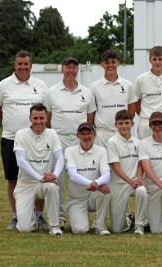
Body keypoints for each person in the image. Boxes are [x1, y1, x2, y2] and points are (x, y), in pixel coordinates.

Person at [0, 50, 48, 230]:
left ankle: (39, 216)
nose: (23, 67)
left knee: (38, 177)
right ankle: (15, 216)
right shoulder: (4, 85)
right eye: (20, 64)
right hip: (11, 139)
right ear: (15, 65)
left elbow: (46, 111)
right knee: (13, 179)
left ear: (31, 65)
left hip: (35, 139)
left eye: (26, 64)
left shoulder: (40, 85)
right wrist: (7, 121)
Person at [43, 56, 96, 227]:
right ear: (62, 69)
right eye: (68, 67)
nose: (71, 70)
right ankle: (59, 216)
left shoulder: (86, 93)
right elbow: (47, 118)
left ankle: (84, 213)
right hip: (58, 140)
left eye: (74, 67)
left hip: (79, 141)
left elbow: (90, 119)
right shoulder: (51, 92)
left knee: (83, 176)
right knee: (57, 178)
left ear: (77, 70)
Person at [13, 104, 63, 235]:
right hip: (25, 184)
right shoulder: (21, 134)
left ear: (46, 118)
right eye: (35, 118)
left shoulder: (52, 134)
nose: (38, 121)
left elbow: (60, 158)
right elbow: (21, 161)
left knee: (51, 186)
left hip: (45, 182)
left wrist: (55, 175)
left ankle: (54, 226)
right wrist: (40, 177)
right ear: (30, 118)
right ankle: (32, 220)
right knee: (25, 229)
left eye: (42, 118)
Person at [64, 123, 111, 235]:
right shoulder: (69, 151)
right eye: (83, 134)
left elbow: (107, 175)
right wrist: (95, 184)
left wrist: (97, 184)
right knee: (80, 230)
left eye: (89, 133)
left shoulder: (102, 151)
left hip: (94, 196)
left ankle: (100, 226)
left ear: (94, 135)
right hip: (77, 199)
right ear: (77, 136)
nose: (86, 136)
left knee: (104, 193)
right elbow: (72, 175)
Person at [107, 110, 148, 235]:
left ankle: (139, 225)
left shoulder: (138, 142)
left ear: (132, 124)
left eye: (126, 123)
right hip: (118, 185)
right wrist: (130, 181)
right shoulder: (112, 142)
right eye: (120, 123)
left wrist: (139, 178)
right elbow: (115, 166)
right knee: (117, 230)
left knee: (142, 191)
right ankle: (129, 217)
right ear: (116, 125)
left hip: (135, 182)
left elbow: (141, 163)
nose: (124, 126)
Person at [90, 50, 137, 147]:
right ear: (102, 64)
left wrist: (123, 126)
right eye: (107, 62)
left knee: (123, 162)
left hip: (121, 132)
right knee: (103, 162)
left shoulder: (128, 85)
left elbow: (132, 110)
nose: (110, 65)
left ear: (118, 63)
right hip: (102, 134)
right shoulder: (94, 86)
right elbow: (91, 112)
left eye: (113, 62)